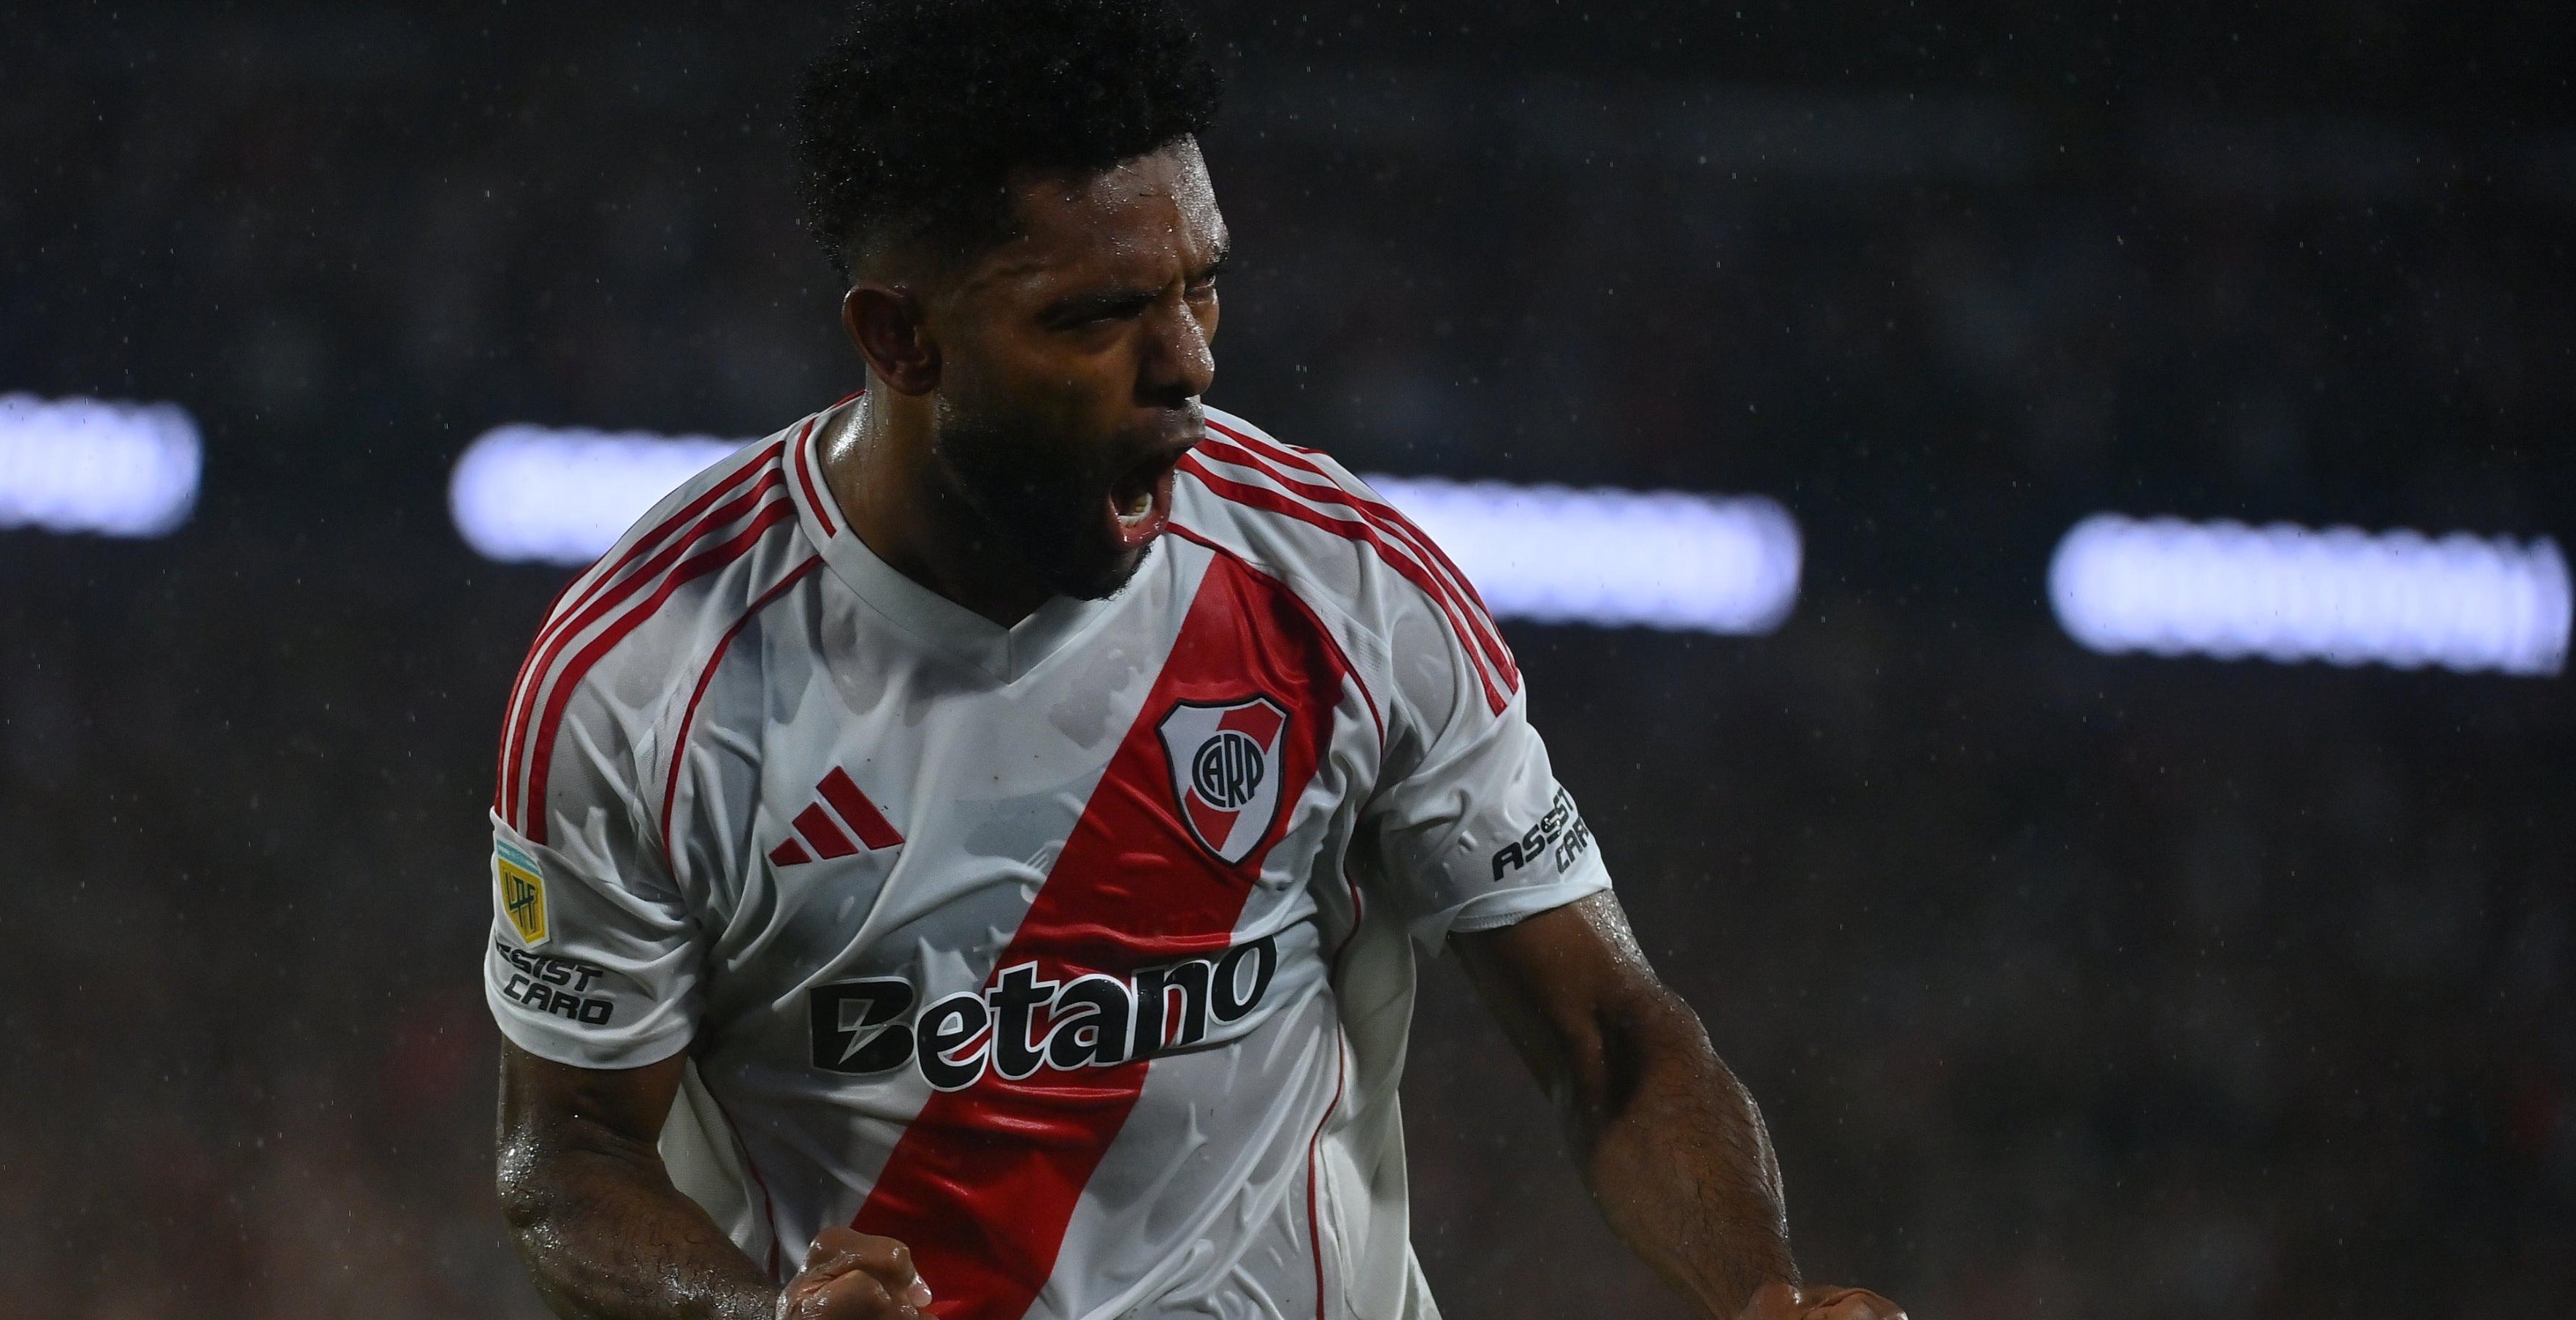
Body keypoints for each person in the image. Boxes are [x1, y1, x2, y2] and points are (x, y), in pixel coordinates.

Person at [484, 3, 1903, 1317]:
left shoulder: (1345, 587)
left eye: (1201, 288)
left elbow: (1611, 1036)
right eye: (1096, 316)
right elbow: (567, 1160)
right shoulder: (642, 679)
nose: (1187, 361)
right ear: (903, 337)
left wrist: (1762, 1293)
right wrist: (759, 1314)